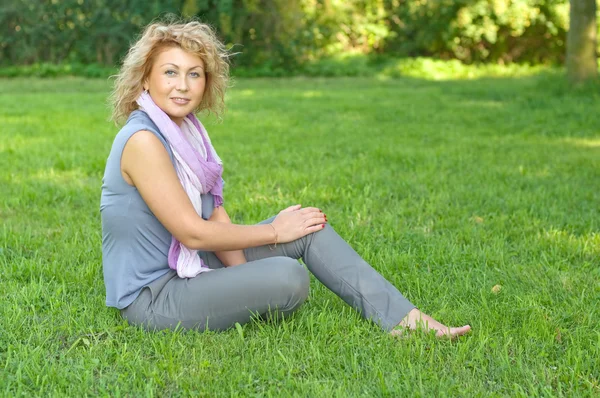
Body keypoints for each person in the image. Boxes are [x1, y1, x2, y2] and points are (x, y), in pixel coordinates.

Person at [101, 19, 471, 339]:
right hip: (154, 296)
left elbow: (215, 217)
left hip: (192, 266)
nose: (182, 85)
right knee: (286, 277)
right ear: (145, 79)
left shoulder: (188, 134)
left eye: (193, 74)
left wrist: (243, 281)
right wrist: (274, 233)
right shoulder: (144, 140)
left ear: (206, 82)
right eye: (170, 72)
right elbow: (192, 233)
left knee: (310, 227)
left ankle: (405, 321)